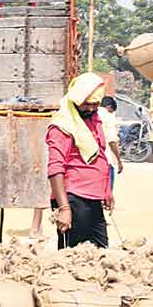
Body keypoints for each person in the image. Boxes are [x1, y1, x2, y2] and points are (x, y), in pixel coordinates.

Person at [46, 73, 113, 248]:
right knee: (73, 256)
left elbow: (101, 156)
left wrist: (107, 190)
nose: (90, 109)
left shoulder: (94, 119)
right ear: (76, 100)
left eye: (95, 104)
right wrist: (64, 208)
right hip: (73, 199)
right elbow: (55, 169)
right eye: (86, 104)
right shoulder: (62, 126)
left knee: (101, 253)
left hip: (93, 198)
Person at [99, 96, 124, 174]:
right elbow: (112, 141)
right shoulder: (109, 116)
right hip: (104, 160)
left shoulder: (90, 113)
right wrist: (119, 161)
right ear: (109, 107)